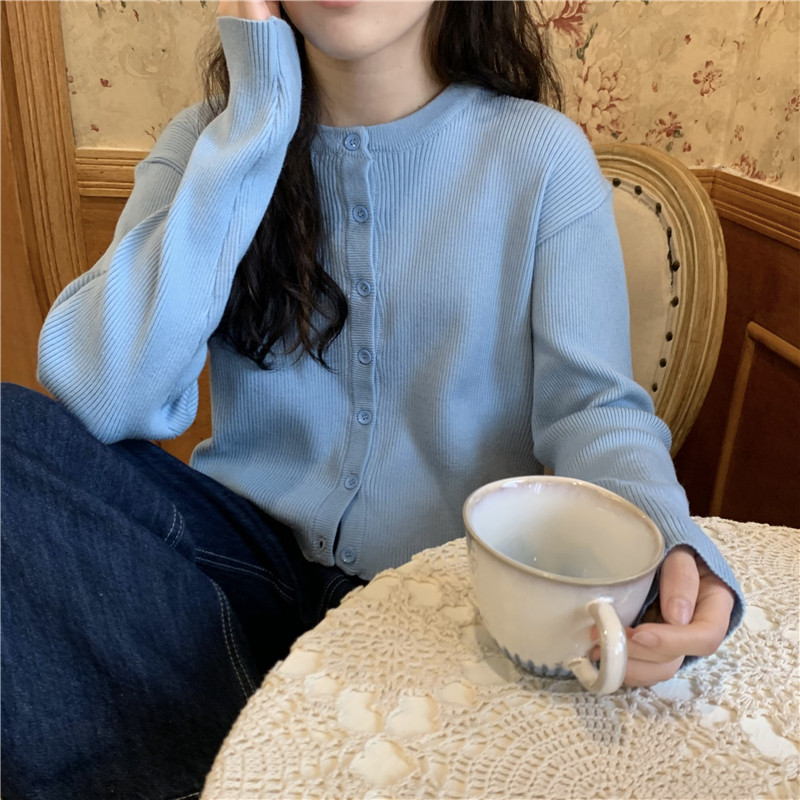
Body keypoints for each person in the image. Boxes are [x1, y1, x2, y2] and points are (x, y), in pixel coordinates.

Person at [1, 1, 743, 798]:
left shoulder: (539, 155)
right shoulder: (208, 142)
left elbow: (593, 408)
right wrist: (255, 126)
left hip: (442, 599)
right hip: (238, 571)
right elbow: (103, 392)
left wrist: (665, 539)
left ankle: (242, 745)